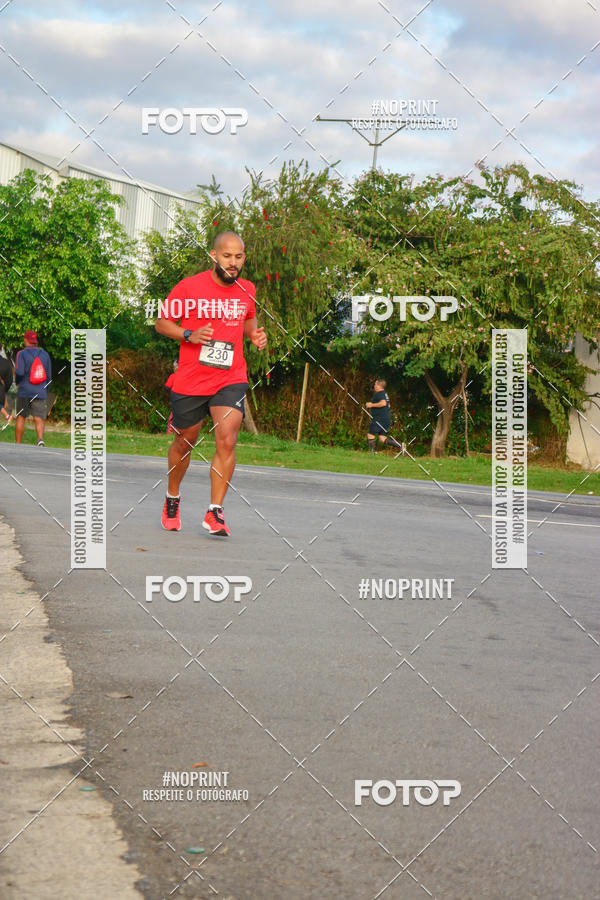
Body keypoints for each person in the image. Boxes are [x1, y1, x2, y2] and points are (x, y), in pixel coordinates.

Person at [155, 232, 267, 536]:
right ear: (213, 256)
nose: (233, 263)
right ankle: (172, 497)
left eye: (239, 257)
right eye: (227, 256)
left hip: (230, 377)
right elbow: (162, 323)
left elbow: (248, 321)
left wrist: (255, 336)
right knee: (184, 441)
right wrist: (188, 335)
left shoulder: (247, 289)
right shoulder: (190, 287)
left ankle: (214, 511)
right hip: (191, 379)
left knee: (228, 438)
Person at [15, 331, 52, 446]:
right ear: (35, 341)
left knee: (21, 417)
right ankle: (40, 439)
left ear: (26, 340)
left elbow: (19, 372)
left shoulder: (21, 354)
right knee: (39, 417)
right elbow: (49, 376)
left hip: (24, 390)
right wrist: (45, 390)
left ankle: (18, 443)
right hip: (40, 391)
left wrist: (18, 383)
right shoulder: (45, 354)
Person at [366, 378, 404, 453]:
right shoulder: (384, 394)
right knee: (382, 438)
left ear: (378, 385)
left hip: (379, 419)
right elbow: (388, 405)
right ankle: (400, 446)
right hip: (386, 419)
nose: (374, 386)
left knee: (370, 435)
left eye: (375, 384)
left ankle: (373, 453)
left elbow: (383, 403)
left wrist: (371, 405)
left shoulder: (379, 394)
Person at [0, 349, 14, 426]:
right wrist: (4, 390)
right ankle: (7, 416)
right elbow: (9, 380)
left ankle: (7, 416)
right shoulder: (6, 363)